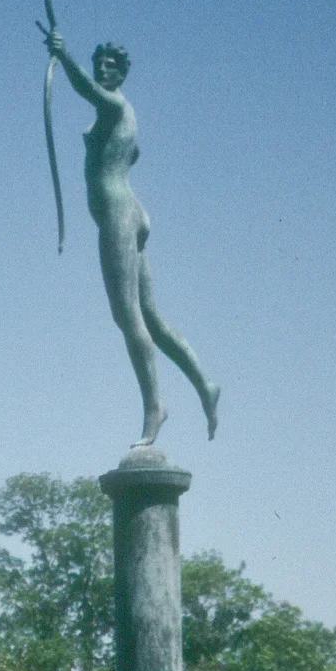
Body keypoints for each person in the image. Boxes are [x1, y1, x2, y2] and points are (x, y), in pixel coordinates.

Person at [43, 28, 220, 447]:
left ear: (122, 73)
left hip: (119, 216)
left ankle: (155, 407)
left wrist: (63, 57)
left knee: (127, 317)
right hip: (127, 213)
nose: (103, 69)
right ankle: (205, 384)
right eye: (98, 63)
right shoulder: (118, 114)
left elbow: (85, 89)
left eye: (111, 65)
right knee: (151, 319)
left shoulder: (116, 105)